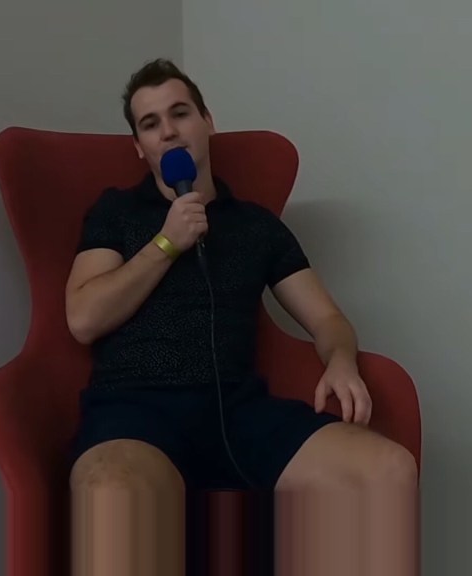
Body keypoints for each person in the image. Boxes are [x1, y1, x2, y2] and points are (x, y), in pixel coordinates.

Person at [65, 58, 418, 576]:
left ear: (207, 121)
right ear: (140, 146)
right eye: (151, 124)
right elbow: (83, 317)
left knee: (388, 470)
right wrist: (167, 242)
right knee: (111, 498)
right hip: (135, 410)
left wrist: (341, 360)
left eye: (180, 113)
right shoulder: (115, 212)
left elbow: (327, 318)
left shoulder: (257, 226)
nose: (169, 131)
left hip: (236, 410)